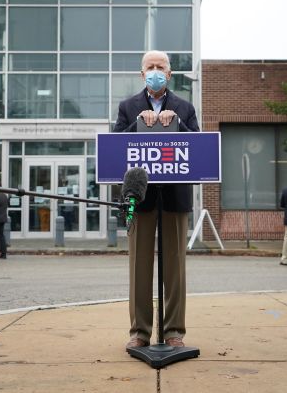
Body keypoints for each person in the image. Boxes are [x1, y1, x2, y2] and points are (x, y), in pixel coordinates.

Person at [113, 50, 199, 350]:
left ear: (170, 73)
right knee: (139, 267)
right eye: (149, 67)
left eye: (160, 66)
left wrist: (177, 122)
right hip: (141, 198)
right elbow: (116, 147)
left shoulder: (185, 107)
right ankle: (140, 331)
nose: (155, 71)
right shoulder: (128, 108)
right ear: (142, 74)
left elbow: (198, 150)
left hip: (175, 199)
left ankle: (174, 329)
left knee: (174, 268)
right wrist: (138, 122)